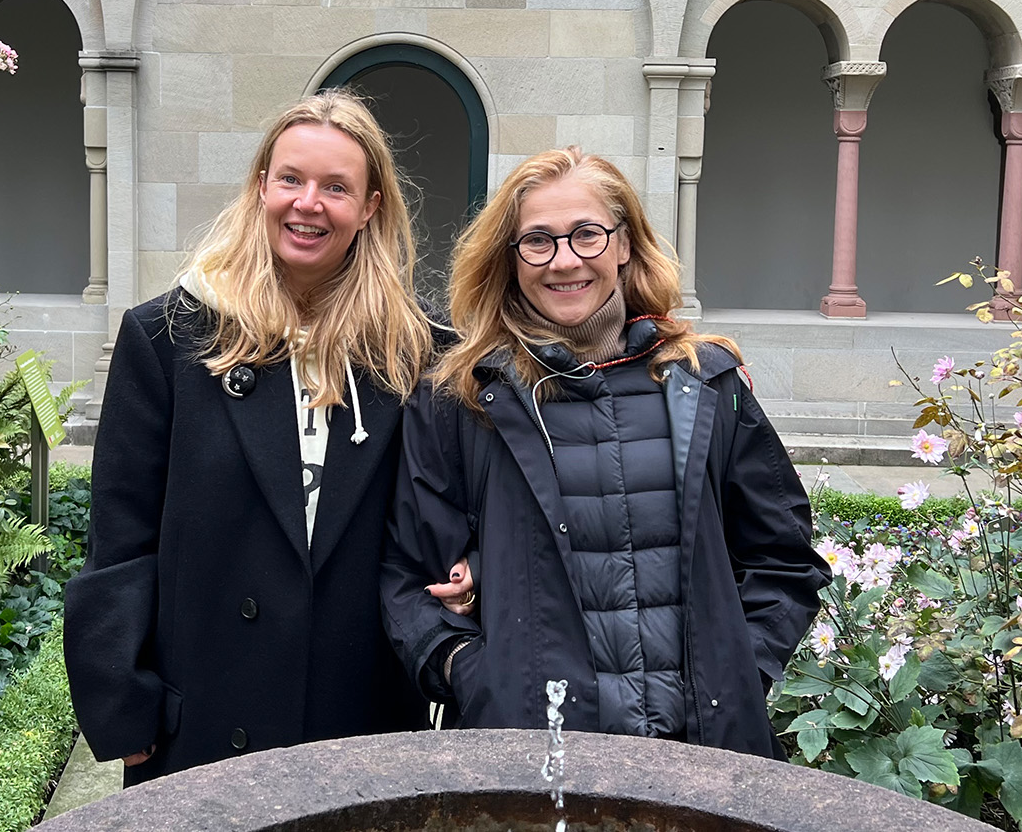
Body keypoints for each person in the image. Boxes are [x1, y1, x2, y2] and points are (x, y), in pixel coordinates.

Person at [381, 146, 830, 756]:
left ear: (624, 244)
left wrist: (736, 673)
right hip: (536, 762)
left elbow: (785, 558)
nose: (565, 261)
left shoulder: (705, 383)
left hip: (704, 755)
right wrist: (475, 675)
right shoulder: (460, 402)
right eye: (537, 241)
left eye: (587, 235)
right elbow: (410, 580)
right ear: (509, 261)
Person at [65, 92, 438, 783]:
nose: (308, 203)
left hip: (360, 715)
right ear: (261, 184)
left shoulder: (411, 351)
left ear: (370, 208)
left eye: (336, 187)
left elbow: (440, 514)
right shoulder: (168, 337)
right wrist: (123, 701)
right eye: (291, 179)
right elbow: (120, 534)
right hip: (207, 712)